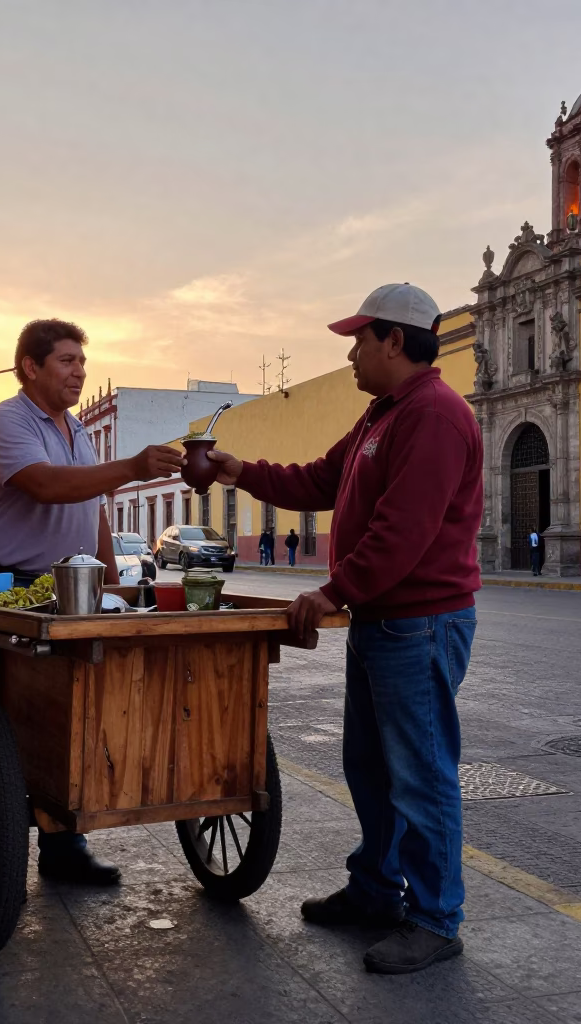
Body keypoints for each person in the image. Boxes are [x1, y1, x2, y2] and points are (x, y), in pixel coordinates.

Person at [208, 283, 483, 975]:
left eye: (359, 341)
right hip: (383, 622)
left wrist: (331, 591)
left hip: (420, 623)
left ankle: (435, 918)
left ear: (395, 340)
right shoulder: (382, 415)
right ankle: (376, 890)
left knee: (419, 773)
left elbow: (403, 533)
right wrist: (239, 471)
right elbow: (316, 481)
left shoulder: (434, 416)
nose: (352, 355)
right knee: (370, 765)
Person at [0, 318, 184, 885]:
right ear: (30, 367)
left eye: (82, 362)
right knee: (12, 713)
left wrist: (111, 579)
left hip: (78, 586)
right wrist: (132, 467)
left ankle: (65, 846)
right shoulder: (5, 422)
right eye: (66, 361)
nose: (79, 372)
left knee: (76, 710)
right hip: (13, 586)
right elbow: (45, 485)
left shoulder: (79, 431)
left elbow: (92, 507)